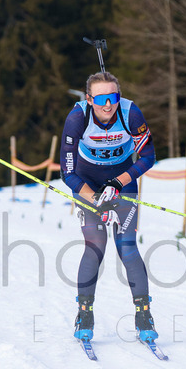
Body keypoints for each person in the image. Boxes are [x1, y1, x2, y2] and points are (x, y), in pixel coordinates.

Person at [60, 71, 158, 343]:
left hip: (122, 182)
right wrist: (95, 200)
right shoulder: (77, 118)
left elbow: (148, 156)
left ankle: (144, 315)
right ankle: (84, 314)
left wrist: (119, 182)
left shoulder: (131, 114)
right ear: (90, 99)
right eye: (101, 98)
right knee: (95, 246)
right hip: (87, 183)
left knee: (127, 247)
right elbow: (67, 173)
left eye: (113, 97)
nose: (108, 105)